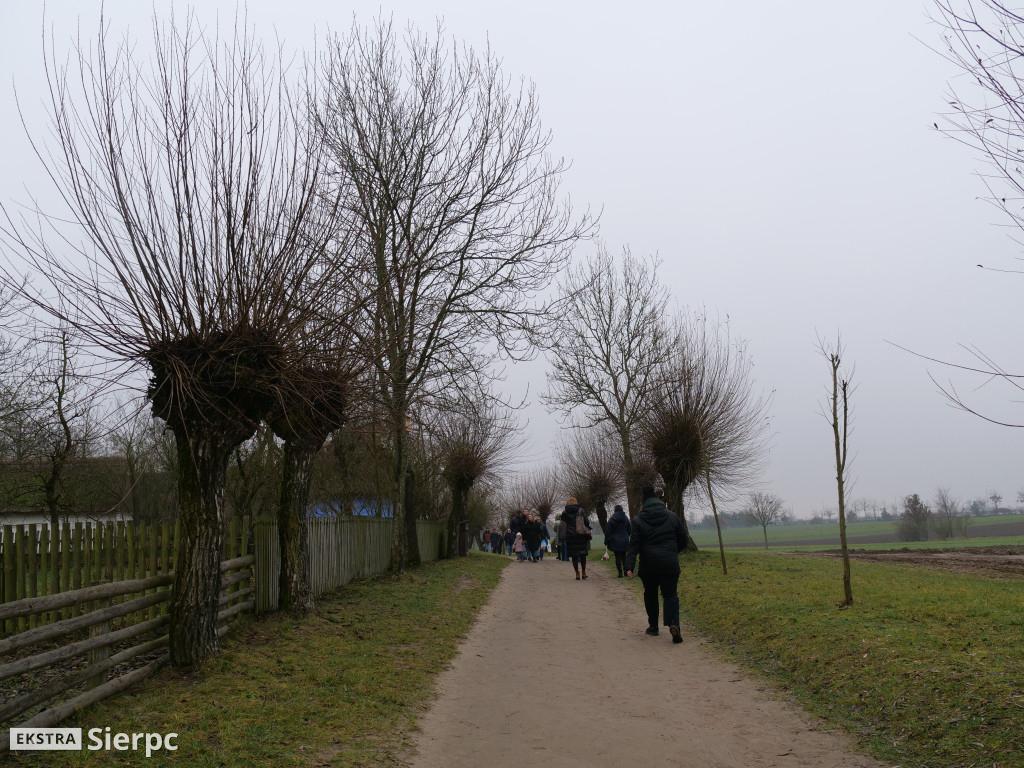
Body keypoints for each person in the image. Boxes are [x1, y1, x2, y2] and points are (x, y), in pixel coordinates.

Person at [625, 486, 688, 644]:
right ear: (658, 501)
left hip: (649, 565)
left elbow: (633, 546)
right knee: (670, 594)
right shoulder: (673, 517)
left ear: (644, 503)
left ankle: (653, 627)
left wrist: (629, 566)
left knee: (650, 594)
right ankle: (674, 624)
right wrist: (674, 551)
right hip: (670, 564)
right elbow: (684, 539)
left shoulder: (638, 520)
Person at [561, 497, 592, 580]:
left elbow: (563, 522)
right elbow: (587, 521)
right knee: (583, 555)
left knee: (574, 556)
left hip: (570, 535)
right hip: (581, 534)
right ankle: (584, 572)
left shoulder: (564, 512)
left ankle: (577, 573)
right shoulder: (581, 510)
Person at [604, 504, 632, 577]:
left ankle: (620, 573)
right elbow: (630, 530)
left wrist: (606, 541)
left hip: (615, 540)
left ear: (615, 510)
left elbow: (608, 531)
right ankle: (626, 572)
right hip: (625, 540)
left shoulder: (612, 519)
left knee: (617, 557)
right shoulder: (626, 518)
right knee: (624, 557)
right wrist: (626, 536)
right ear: (622, 510)